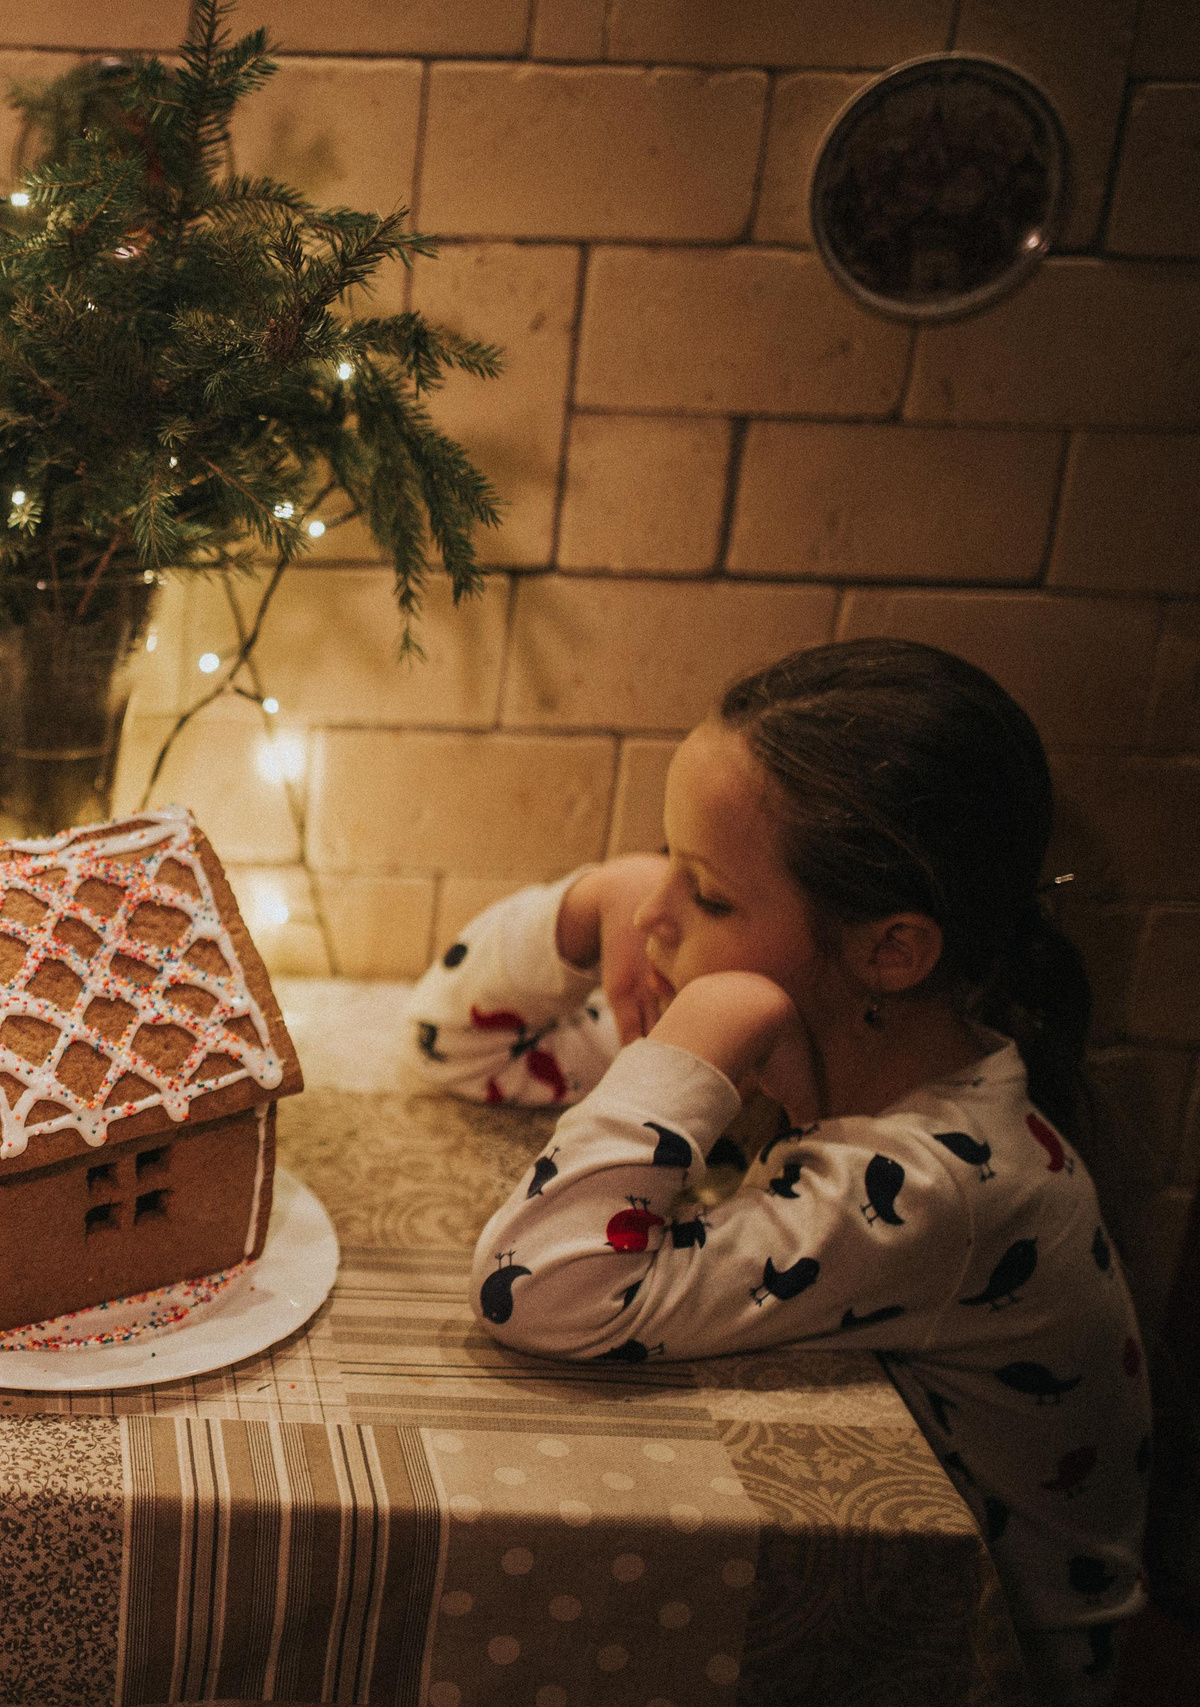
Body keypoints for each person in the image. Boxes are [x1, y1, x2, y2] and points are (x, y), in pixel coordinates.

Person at [406, 639, 1148, 1707]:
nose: (658, 917)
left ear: (890, 952)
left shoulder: (937, 1185)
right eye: (663, 859)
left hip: (974, 1666)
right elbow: (447, 1045)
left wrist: (695, 1036)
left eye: (703, 892)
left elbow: (537, 1288)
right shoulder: (811, 1024)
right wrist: (591, 902)